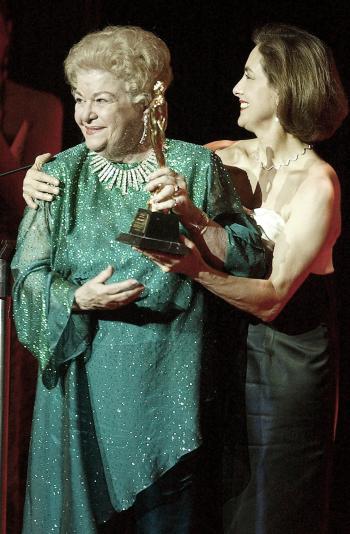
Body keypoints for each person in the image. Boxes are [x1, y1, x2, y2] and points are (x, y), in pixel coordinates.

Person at [11, 25, 267, 533]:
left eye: (101, 100)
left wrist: (193, 213)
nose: (84, 114)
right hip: (79, 394)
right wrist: (75, 298)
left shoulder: (193, 165)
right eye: (79, 98)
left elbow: (249, 258)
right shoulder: (58, 176)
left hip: (166, 388)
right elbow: (26, 282)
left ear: (145, 102)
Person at [134, 23, 347, 534]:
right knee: (218, 498)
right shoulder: (223, 155)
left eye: (250, 76)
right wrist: (48, 173)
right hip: (222, 349)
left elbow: (273, 299)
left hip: (286, 358)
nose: (236, 88)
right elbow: (137, 165)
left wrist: (197, 270)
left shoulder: (318, 183)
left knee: (271, 505)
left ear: (284, 88)